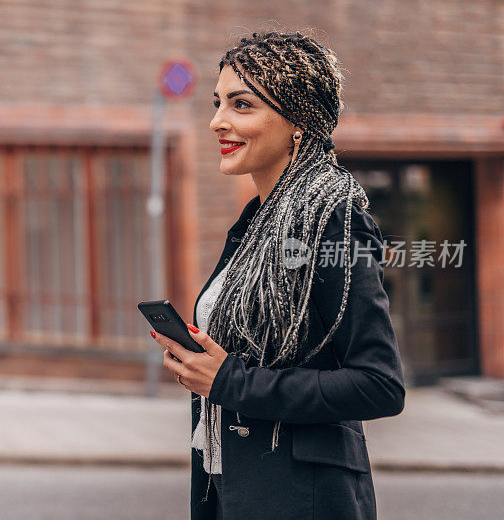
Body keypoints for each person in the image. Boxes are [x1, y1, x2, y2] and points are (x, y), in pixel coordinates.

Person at [149, 31, 406, 519]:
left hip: (301, 498)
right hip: (231, 486)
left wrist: (228, 380)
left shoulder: (329, 217)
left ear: (298, 122)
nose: (216, 121)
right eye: (218, 102)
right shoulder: (254, 222)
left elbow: (380, 384)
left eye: (241, 105)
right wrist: (202, 364)